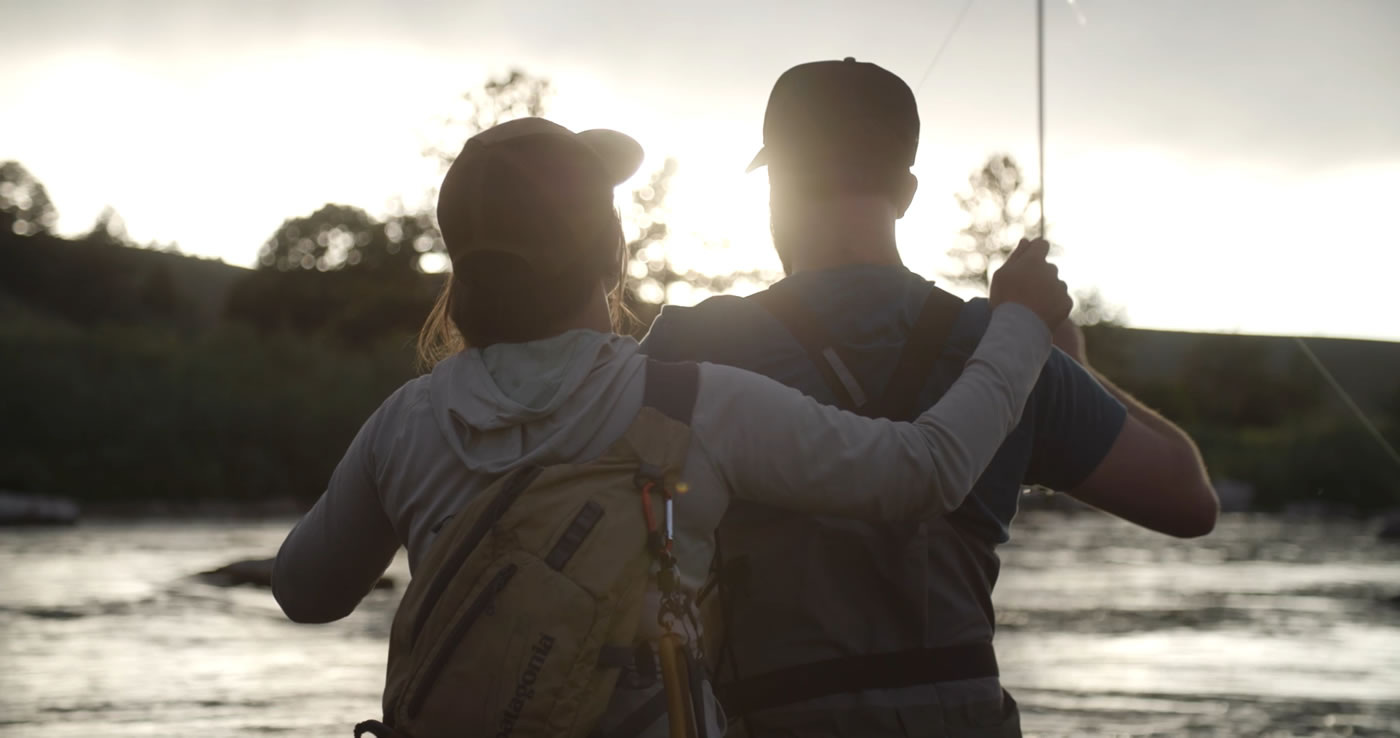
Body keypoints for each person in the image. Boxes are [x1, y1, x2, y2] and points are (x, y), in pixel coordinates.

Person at [271, 116, 1072, 737]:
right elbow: (923, 472)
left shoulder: (404, 421)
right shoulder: (693, 406)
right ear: (612, 256)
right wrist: (1019, 327)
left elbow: (304, 593)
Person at [639, 58, 1219, 737]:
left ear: (777, 187)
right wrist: (1063, 362)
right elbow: (1189, 499)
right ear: (908, 192)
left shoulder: (692, 342)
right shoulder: (1004, 345)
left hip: (770, 717)